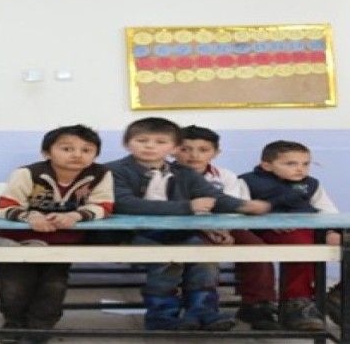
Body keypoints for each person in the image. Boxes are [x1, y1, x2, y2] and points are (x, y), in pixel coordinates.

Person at [106, 117, 270, 331]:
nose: (150, 146)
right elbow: (124, 204)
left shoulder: (184, 173)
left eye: (160, 142)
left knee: (205, 257)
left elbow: (212, 197)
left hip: (176, 232)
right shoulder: (113, 171)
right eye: (142, 140)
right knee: (168, 261)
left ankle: (203, 312)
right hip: (132, 234)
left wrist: (244, 206)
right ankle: (162, 317)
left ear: (174, 148)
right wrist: (187, 207)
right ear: (127, 144)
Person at [0, 124, 114, 344]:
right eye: (67, 149)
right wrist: (30, 216)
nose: (77, 154)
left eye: (86, 150)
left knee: (53, 287)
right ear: (47, 152)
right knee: (15, 285)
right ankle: (13, 324)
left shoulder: (100, 174)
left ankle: (39, 330)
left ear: (95, 155)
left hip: (62, 243)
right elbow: (4, 207)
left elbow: (103, 206)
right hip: (18, 242)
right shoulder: (27, 173)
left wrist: (76, 216)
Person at [175, 125, 280, 330]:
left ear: (216, 152)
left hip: (226, 227)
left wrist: (223, 228)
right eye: (185, 149)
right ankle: (202, 309)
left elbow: (234, 207)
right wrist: (208, 228)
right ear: (173, 150)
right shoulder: (167, 175)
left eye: (203, 150)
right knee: (204, 254)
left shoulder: (226, 176)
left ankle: (256, 304)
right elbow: (171, 208)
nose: (194, 155)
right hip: (185, 229)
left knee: (257, 249)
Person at [239, 140, 340, 331]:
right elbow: (239, 211)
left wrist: (329, 231)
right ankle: (296, 302)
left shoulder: (311, 184)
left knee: (343, 242)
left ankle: (339, 297)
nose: (300, 169)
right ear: (266, 165)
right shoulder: (247, 181)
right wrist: (268, 221)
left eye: (305, 164)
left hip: (311, 229)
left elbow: (328, 212)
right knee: (300, 244)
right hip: (270, 232)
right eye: (291, 163)